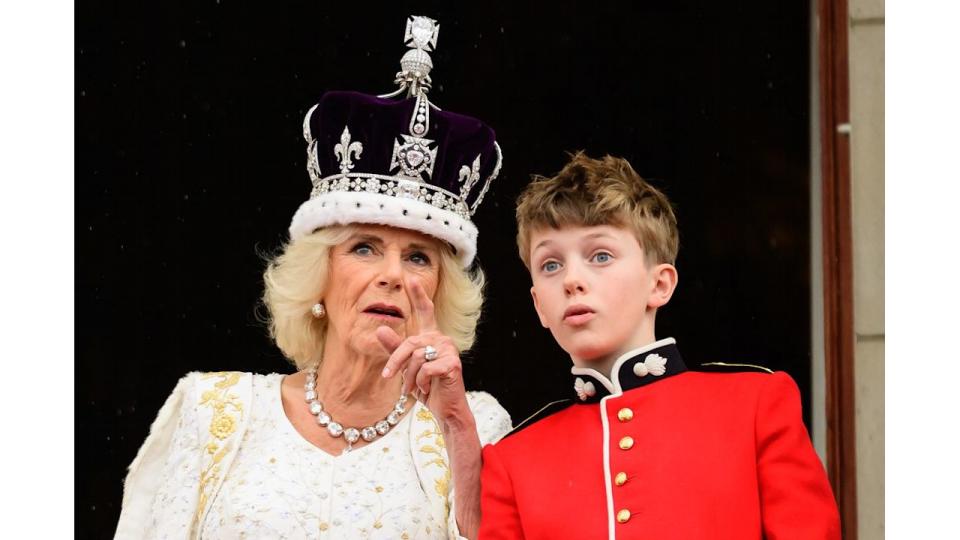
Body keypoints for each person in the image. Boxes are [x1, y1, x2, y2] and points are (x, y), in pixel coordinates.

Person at [115, 15, 511, 539]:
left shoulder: (474, 424)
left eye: (418, 257)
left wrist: (455, 426)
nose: (392, 275)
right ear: (318, 275)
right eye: (364, 248)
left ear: (442, 288)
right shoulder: (212, 412)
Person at [478, 152, 840, 539]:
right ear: (539, 306)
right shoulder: (513, 460)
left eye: (600, 255)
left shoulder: (754, 405)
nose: (572, 279)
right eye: (550, 264)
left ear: (660, 284)